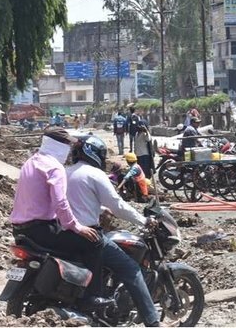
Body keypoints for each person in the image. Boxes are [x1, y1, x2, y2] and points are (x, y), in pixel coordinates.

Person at [9, 127, 110, 311]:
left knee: (74, 243)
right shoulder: (55, 167)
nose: (70, 150)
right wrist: (77, 227)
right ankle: (91, 298)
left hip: (21, 230)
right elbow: (61, 203)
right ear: (60, 145)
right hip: (43, 230)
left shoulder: (31, 162)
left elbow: (49, 200)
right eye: (68, 145)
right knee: (95, 242)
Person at [66, 137, 160, 327]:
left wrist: (100, 209)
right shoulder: (95, 174)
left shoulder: (66, 172)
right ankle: (153, 321)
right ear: (96, 154)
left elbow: (74, 201)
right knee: (131, 269)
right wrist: (143, 219)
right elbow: (118, 205)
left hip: (65, 233)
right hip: (89, 234)